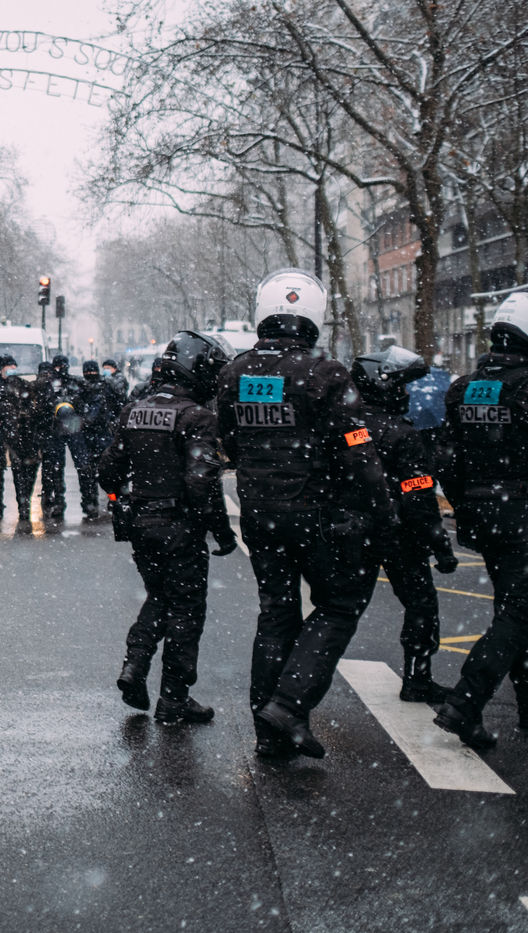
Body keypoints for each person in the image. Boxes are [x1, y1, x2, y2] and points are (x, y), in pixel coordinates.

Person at [215, 268, 397, 759]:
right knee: (340, 604)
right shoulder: (326, 373)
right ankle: (289, 705)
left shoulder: (234, 373)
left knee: (277, 611)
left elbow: (229, 441)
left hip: (258, 513)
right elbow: (358, 451)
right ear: (314, 316)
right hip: (314, 512)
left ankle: (268, 732)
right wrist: (382, 511)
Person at [100, 332, 237, 724]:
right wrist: (221, 531)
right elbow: (202, 483)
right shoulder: (198, 417)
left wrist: (131, 496)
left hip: (142, 525)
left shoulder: (134, 410)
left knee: (159, 598)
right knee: (187, 611)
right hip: (179, 527)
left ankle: (135, 665)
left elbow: (107, 473)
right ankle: (174, 699)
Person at [434, 293, 528, 749]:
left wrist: (466, 504)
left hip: (484, 514)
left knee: (513, 609)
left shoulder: (465, 387)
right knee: (518, 613)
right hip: (520, 513)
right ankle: (465, 703)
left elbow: (446, 458)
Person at [350, 346, 459, 702]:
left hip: (354, 532)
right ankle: (417, 678)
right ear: (385, 387)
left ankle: (295, 687)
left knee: (339, 612)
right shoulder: (402, 434)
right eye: (401, 386)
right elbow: (419, 495)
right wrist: (441, 545)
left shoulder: (348, 428)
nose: (406, 393)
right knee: (421, 605)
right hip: (399, 536)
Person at [0, 355, 41, 526]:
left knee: (18, 470)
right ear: (1, 368)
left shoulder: (22, 385)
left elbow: (32, 408)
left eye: (14, 365)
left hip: (18, 433)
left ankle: (23, 506)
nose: (12, 368)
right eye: (9, 365)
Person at [37, 355, 89, 522]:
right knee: (57, 468)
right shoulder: (48, 385)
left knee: (82, 466)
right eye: (58, 366)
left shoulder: (76, 382)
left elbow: (86, 399)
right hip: (56, 429)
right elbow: (42, 405)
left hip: (73, 427)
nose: (61, 369)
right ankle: (59, 501)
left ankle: (87, 500)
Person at [77, 360, 123, 522]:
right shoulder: (84, 388)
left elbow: (119, 406)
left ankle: (105, 501)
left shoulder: (105, 386)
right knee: (90, 472)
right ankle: (93, 502)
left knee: (102, 472)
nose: (90, 375)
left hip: (101, 434)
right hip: (91, 436)